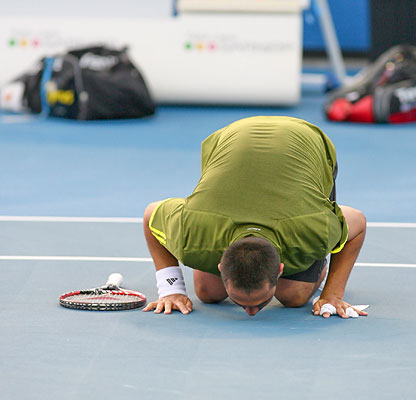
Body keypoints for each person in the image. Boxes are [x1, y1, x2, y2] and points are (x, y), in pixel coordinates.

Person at [142, 116, 367, 318]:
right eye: (241, 302)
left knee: (293, 295)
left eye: (260, 302)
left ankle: (316, 267)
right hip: (230, 138)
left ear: (280, 269)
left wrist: (332, 294)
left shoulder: (312, 230)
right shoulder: (192, 232)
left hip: (306, 141)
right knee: (207, 292)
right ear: (221, 266)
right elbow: (150, 214)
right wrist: (171, 289)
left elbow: (357, 222)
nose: (251, 313)